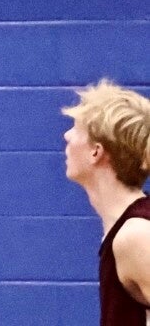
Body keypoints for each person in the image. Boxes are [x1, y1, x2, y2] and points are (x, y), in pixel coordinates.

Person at [63, 79, 150, 325]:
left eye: (77, 129)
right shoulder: (126, 229)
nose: (66, 135)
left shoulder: (135, 236)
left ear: (96, 152)